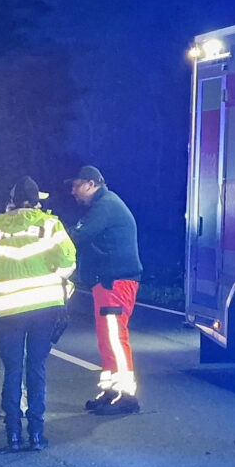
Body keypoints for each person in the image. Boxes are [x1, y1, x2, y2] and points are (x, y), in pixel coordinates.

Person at [0, 177, 77, 450]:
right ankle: (36, 434)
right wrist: (50, 273)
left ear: (11, 202)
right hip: (44, 308)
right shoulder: (50, 225)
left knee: (12, 370)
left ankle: (13, 434)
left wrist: (0, 283)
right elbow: (68, 263)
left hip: (8, 311)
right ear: (36, 201)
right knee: (37, 368)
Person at [66, 164, 143, 414]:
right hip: (108, 281)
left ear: (91, 183)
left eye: (76, 185)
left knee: (115, 338)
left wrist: (51, 234)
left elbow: (78, 235)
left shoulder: (105, 206)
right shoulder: (103, 205)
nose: (73, 191)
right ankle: (111, 390)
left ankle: (127, 395)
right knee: (106, 339)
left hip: (115, 281)